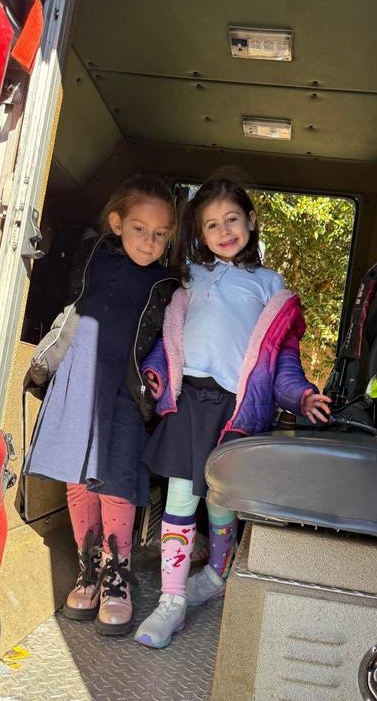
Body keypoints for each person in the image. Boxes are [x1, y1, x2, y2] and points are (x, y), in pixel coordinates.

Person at [135, 176, 331, 648]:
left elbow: (279, 360)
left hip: (235, 410)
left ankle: (217, 577)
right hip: (188, 403)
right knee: (182, 500)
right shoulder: (190, 279)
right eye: (211, 225)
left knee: (222, 500)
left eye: (232, 220)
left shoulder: (270, 286)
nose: (223, 231)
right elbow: (169, 339)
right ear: (199, 234)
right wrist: (156, 374)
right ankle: (172, 600)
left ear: (251, 222)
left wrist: (301, 395)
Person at [24, 174, 178, 635]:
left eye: (160, 234)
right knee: (79, 480)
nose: (149, 242)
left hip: (126, 389)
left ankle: (117, 578)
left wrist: (157, 381)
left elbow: (168, 344)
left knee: (116, 483)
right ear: (115, 223)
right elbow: (70, 310)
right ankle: (89, 570)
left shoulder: (169, 283)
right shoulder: (90, 257)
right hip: (80, 378)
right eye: (138, 228)